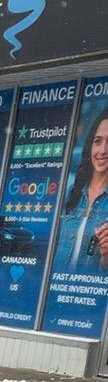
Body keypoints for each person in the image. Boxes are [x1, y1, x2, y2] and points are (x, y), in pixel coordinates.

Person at [57, 104, 108, 272]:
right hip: (57, 285)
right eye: (98, 141)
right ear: (90, 145)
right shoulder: (71, 193)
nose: (103, 150)